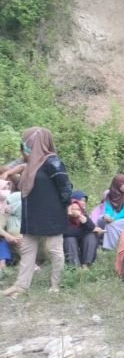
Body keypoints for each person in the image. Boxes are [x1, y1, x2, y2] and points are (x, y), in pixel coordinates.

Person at [3, 127, 72, 297]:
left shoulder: (52, 162)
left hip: (51, 215)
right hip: (32, 213)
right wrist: (12, 172)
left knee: (54, 250)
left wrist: (66, 207)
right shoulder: (31, 164)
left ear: (37, 142)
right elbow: (22, 187)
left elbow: (65, 188)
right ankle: (21, 286)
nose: (24, 145)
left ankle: (55, 284)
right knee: (27, 249)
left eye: (27, 141)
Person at [64, 191, 103, 268]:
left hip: (81, 239)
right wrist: (87, 230)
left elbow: (91, 227)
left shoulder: (83, 213)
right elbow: (65, 232)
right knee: (69, 239)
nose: (83, 202)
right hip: (69, 239)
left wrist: (82, 217)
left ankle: (86, 264)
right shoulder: (63, 214)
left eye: (84, 201)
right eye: (80, 200)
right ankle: (75, 266)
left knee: (91, 236)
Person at [101, 174, 124, 250]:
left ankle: (108, 248)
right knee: (104, 221)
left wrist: (114, 218)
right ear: (117, 184)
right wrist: (107, 215)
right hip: (119, 218)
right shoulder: (110, 195)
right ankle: (105, 244)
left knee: (111, 224)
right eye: (123, 184)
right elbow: (109, 209)